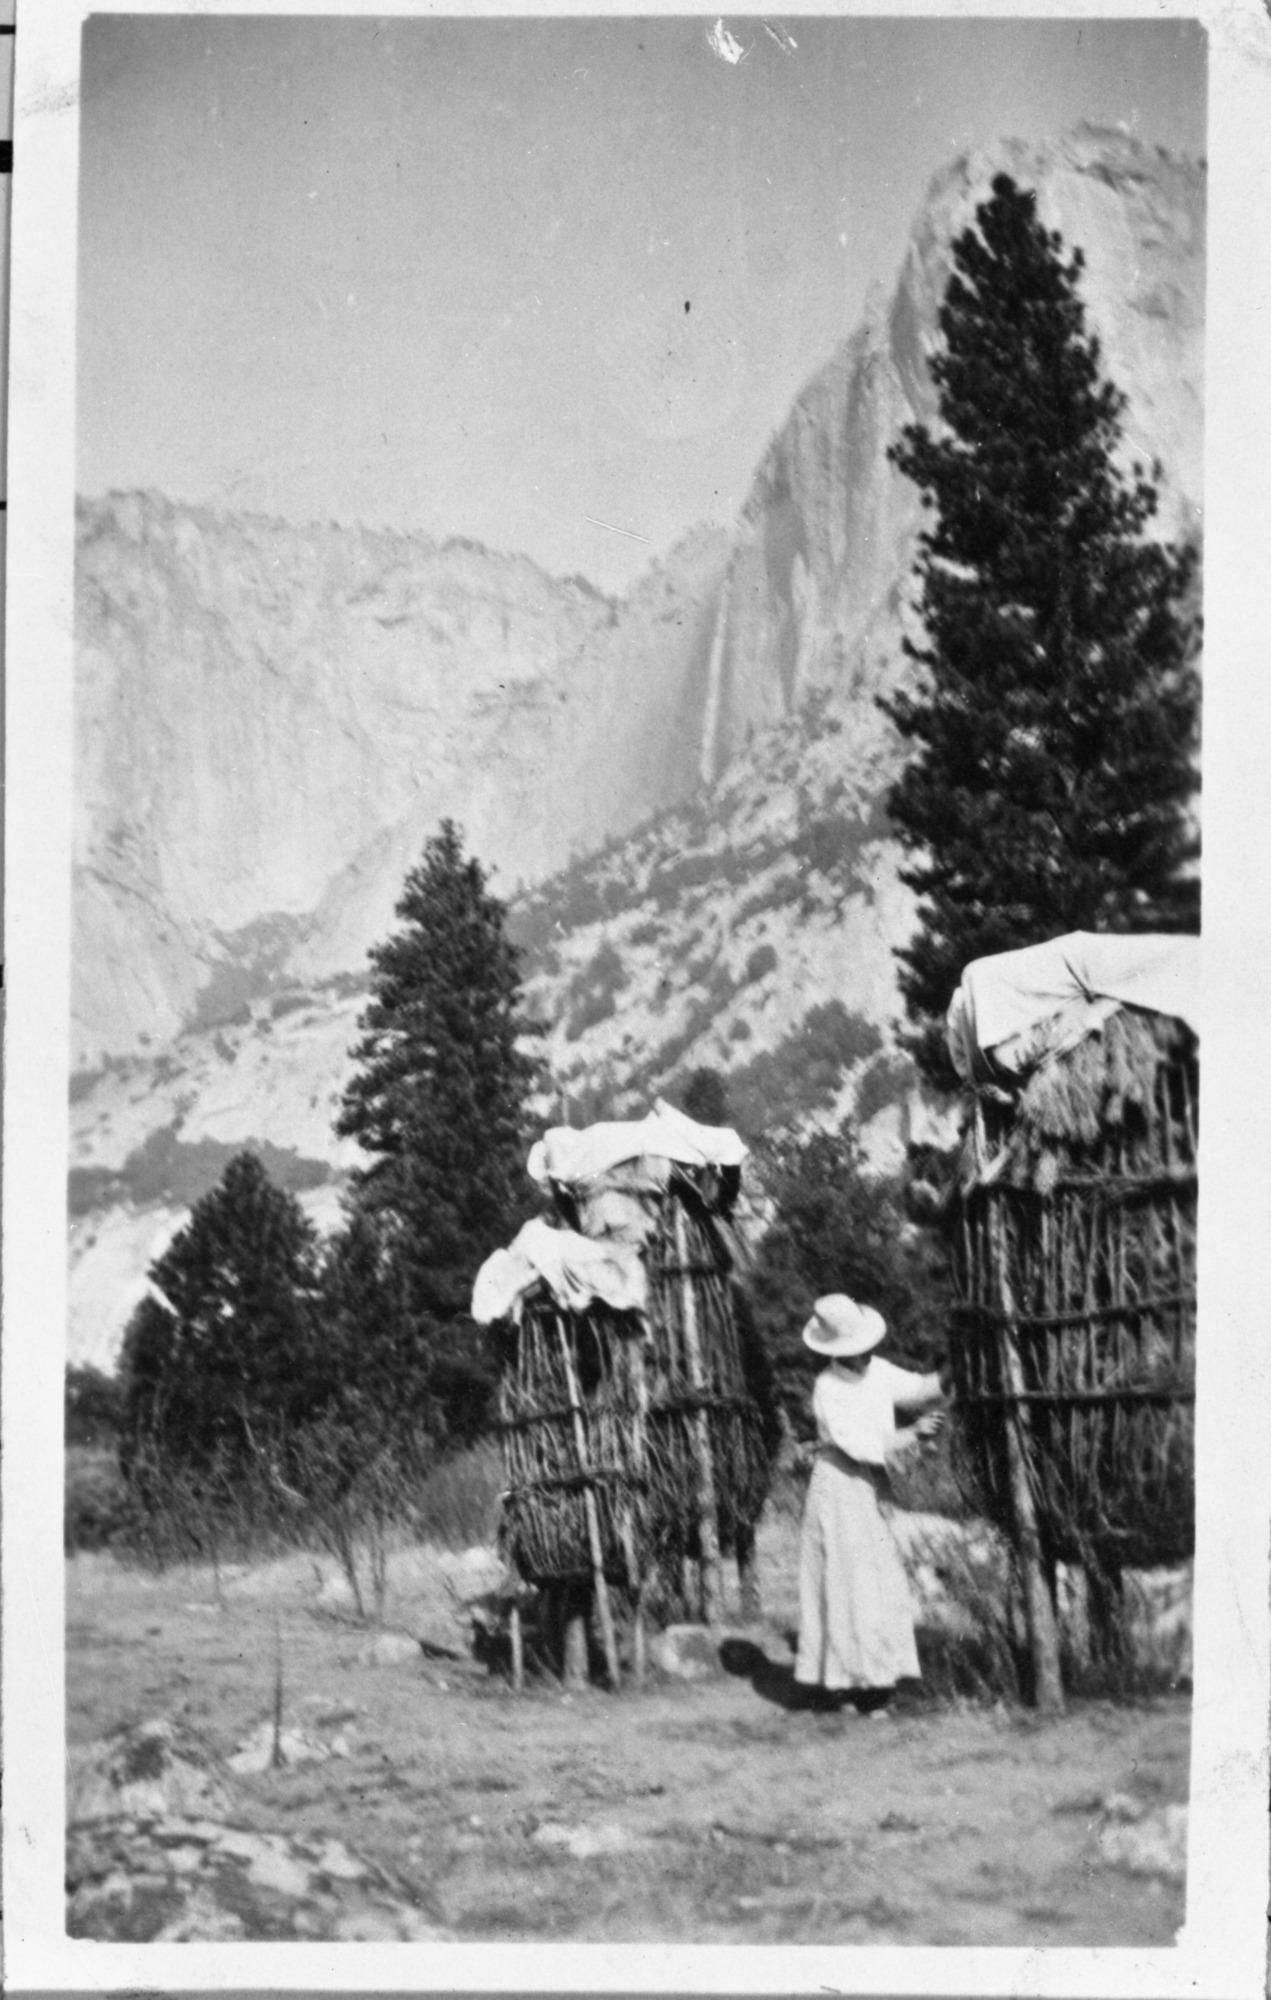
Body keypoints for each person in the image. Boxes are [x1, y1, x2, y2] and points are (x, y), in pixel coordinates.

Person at [793, 1293, 945, 1713]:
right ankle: (844, 1684)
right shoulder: (828, 1386)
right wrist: (913, 1434)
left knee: (876, 1582)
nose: (864, 1353)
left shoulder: (877, 1371)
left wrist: (953, 1372)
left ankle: (876, 1683)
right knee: (844, 1582)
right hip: (839, 1488)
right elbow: (855, 1444)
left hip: (871, 1487)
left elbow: (917, 1389)